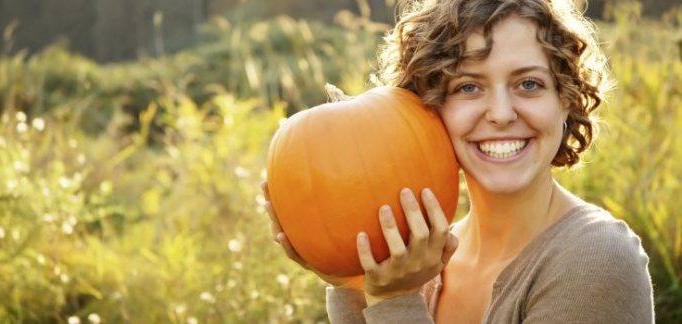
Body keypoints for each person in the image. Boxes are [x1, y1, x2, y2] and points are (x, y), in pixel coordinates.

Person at [262, 0, 655, 322]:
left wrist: (396, 301)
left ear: (565, 99)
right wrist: (355, 286)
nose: (501, 113)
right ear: (427, 110)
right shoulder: (416, 260)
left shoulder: (595, 260)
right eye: (468, 87)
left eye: (529, 84)